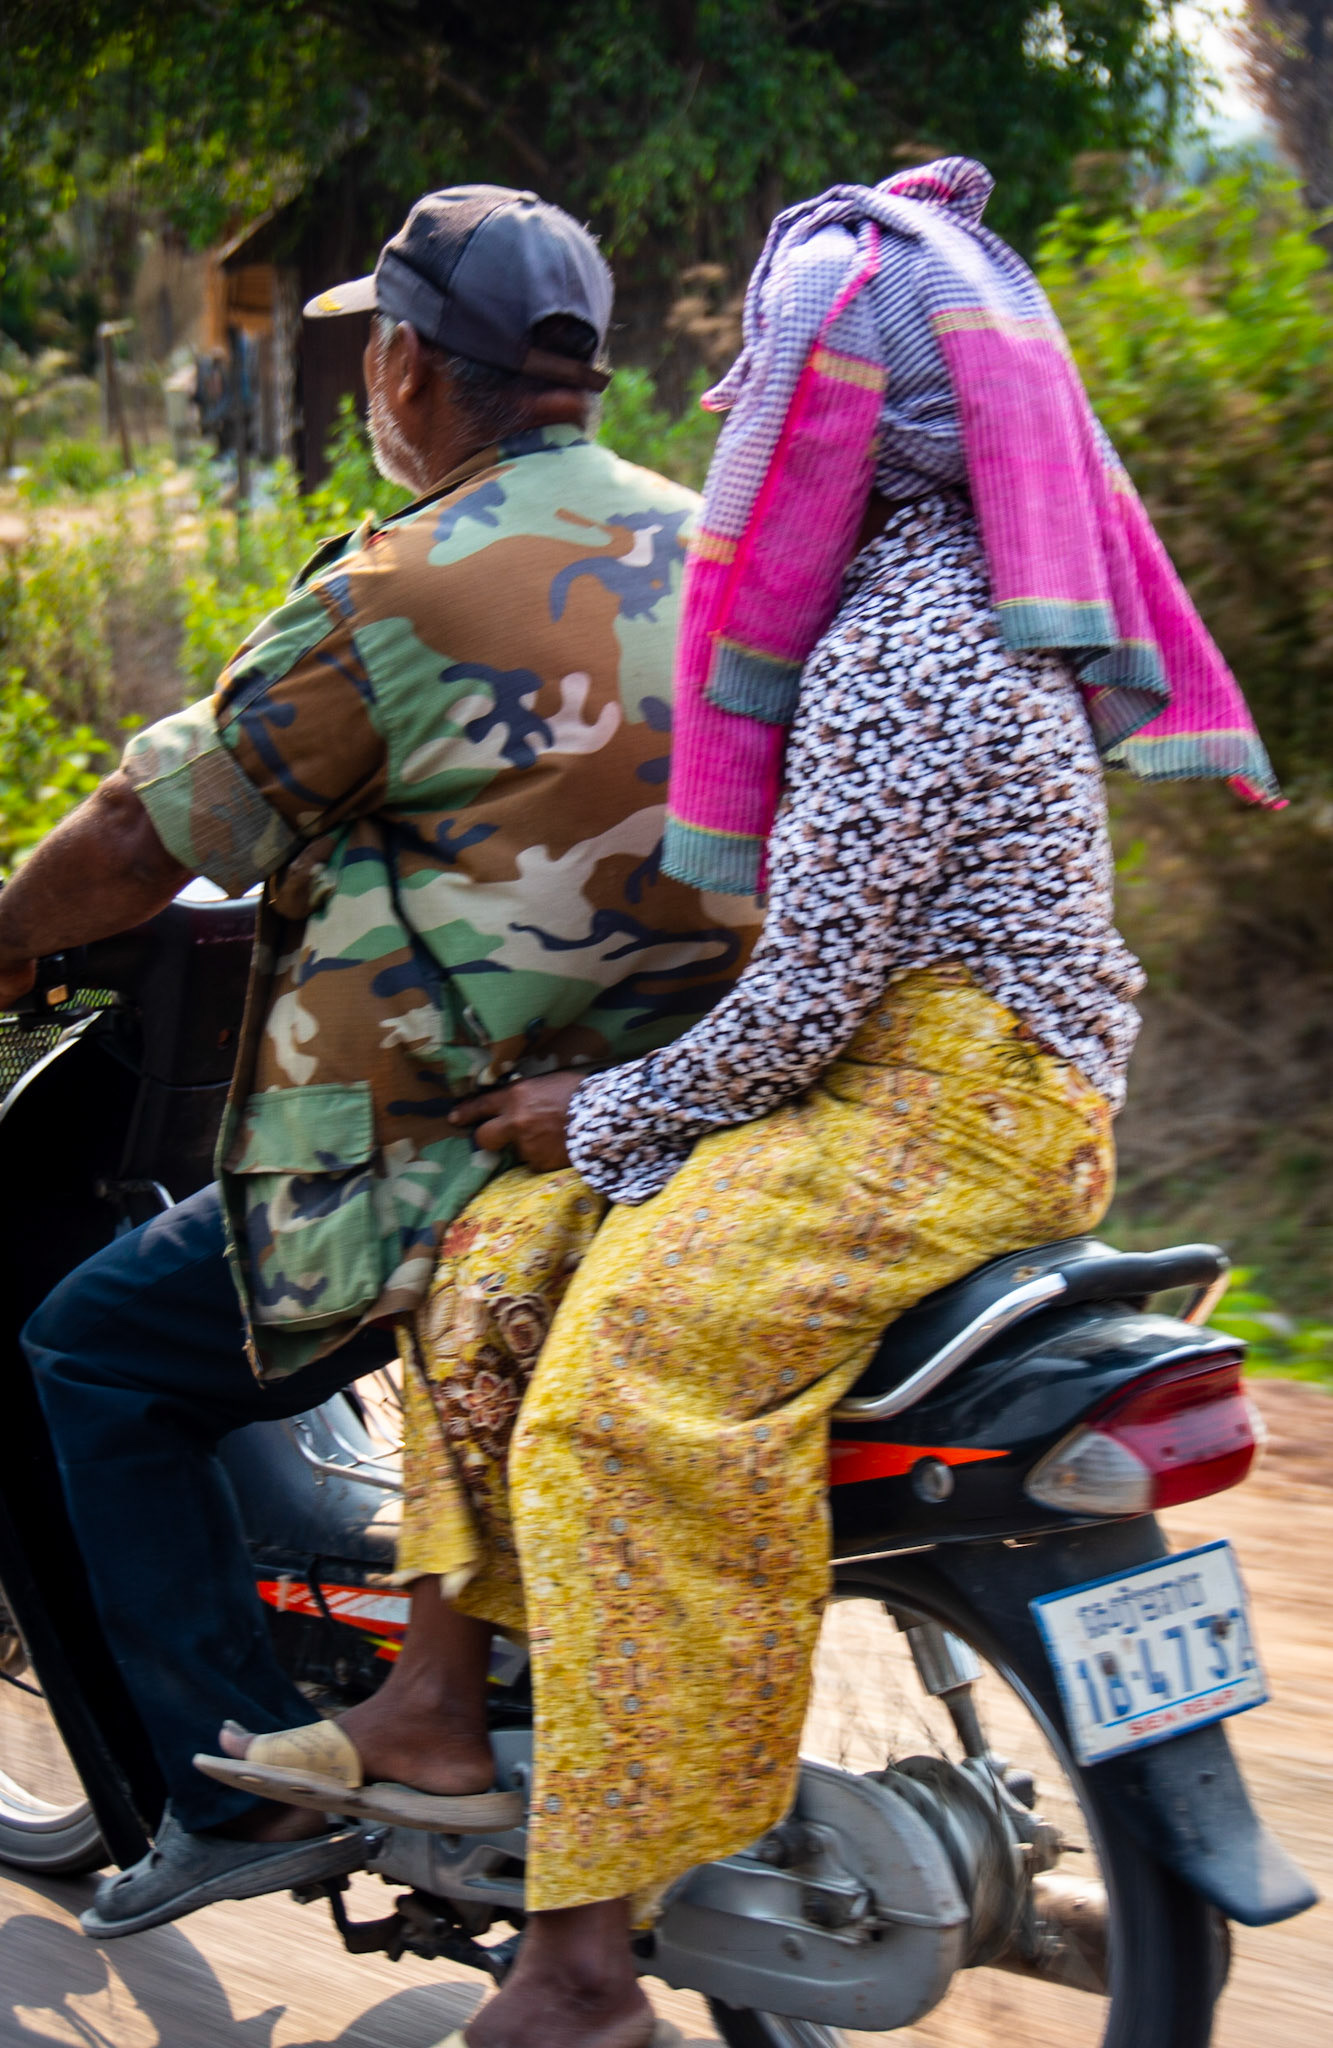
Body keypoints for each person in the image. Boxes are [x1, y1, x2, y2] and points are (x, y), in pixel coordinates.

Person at [208, 158, 1280, 2048]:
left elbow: (798, 1006)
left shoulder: (912, 643)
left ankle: (580, 1969)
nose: (744, 436)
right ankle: (439, 1709)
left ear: (842, 421)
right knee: (503, 1251)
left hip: (949, 1102)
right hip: (870, 1081)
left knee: (629, 1382)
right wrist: (585, 1136)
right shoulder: (883, 604)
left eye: (772, 400)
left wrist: (604, 1112)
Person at [0, 185, 759, 1938]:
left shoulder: (394, 586)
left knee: (90, 1350)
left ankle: (221, 1782)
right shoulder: (714, 543)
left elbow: (147, 825)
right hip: (694, 1125)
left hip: (437, 1151)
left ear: (401, 364)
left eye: (372, 352)